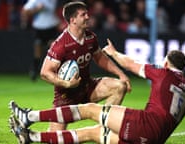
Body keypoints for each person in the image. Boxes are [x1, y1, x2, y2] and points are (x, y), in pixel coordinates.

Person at [9, 39, 185, 144]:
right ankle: (31, 137)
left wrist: (113, 53)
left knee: (88, 109)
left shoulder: (162, 73)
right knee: (93, 133)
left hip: (143, 125)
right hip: (154, 141)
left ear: (166, 63)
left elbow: (131, 64)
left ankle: (29, 117)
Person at [39, 1, 131, 132]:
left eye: (87, 14)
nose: (88, 17)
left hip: (87, 87)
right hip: (66, 96)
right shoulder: (61, 44)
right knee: (55, 139)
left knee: (119, 86)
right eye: (83, 15)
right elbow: (45, 72)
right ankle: (27, 134)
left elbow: (100, 58)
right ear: (73, 20)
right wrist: (65, 84)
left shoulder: (90, 37)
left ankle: (102, 130)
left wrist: (121, 74)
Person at [21, 0, 60, 81]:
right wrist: (37, 9)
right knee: (37, 50)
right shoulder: (35, 0)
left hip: (51, 27)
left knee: (54, 49)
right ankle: (35, 70)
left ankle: (56, 71)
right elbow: (25, 11)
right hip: (39, 28)